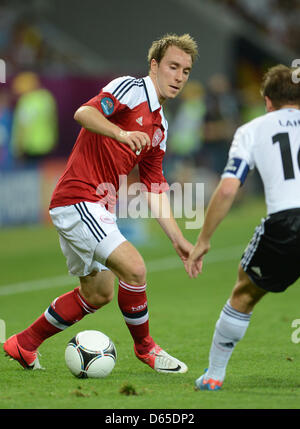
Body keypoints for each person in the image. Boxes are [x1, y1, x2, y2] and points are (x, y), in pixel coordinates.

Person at [4, 33, 200, 374]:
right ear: (154, 66)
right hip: (79, 198)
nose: (179, 76)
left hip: (96, 207)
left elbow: (154, 186)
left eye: (185, 70)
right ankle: (146, 349)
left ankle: (24, 343)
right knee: (135, 268)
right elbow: (84, 113)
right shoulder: (131, 88)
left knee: (98, 293)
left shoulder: (160, 126)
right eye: (172, 66)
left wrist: (177, 238)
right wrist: (121, 133)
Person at [187, 64, 300, 390]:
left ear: (267, 101)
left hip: (285, 222)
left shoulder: (252, 130)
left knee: (245, 292)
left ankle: (213, 376)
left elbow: (226, 189)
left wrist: (204, 239)